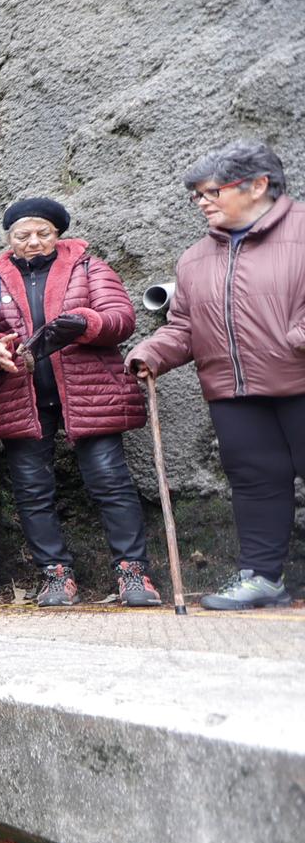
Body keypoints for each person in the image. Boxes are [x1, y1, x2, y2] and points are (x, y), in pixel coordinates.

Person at [129, 141, 305, 610]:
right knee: (254, 482)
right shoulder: (194, 258)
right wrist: (152, 352)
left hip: (299, 379)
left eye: (211, 191)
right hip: (234, 391)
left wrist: (291, 340)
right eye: (196, 195)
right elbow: (186, 327)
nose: (201, 202)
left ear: (259, 185)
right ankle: (263, 579)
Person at [0, 198, 159, 606]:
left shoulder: (89, 267)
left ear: (58, 235)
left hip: (88, 394)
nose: (33, 242)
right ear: (9, 238)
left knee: (110, 481)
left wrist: (88, 323)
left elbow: (121, 318)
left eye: (44, 233)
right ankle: (55, 574)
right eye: (23, 235)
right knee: (31, 489)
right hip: (21, 396)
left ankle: (133, 571)